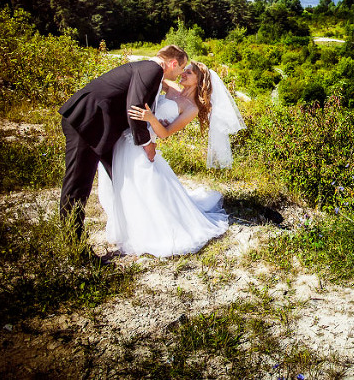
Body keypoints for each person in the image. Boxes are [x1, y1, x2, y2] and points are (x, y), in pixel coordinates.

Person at [96, 61, 245, 257]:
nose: (183, 73)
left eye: (189, 72)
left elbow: (165, 133)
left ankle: (146, 231)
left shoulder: (192, 108)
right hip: (130, 136)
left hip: (147, 140)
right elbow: (149, 80)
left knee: (143, 185)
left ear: (199, 80)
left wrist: (151, 119)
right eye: (185, 69)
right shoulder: (171, 87)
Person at [59, 45, 188, 241]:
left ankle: (134, 230)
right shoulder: (152, 69)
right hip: (86, 121)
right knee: (78, 185)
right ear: (173, 63)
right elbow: (135, 106)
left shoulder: (150, 69)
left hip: (100, 127)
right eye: (181, 68)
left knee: (123, 175)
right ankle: (74, 243)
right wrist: (147, 143)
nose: (180, 74)